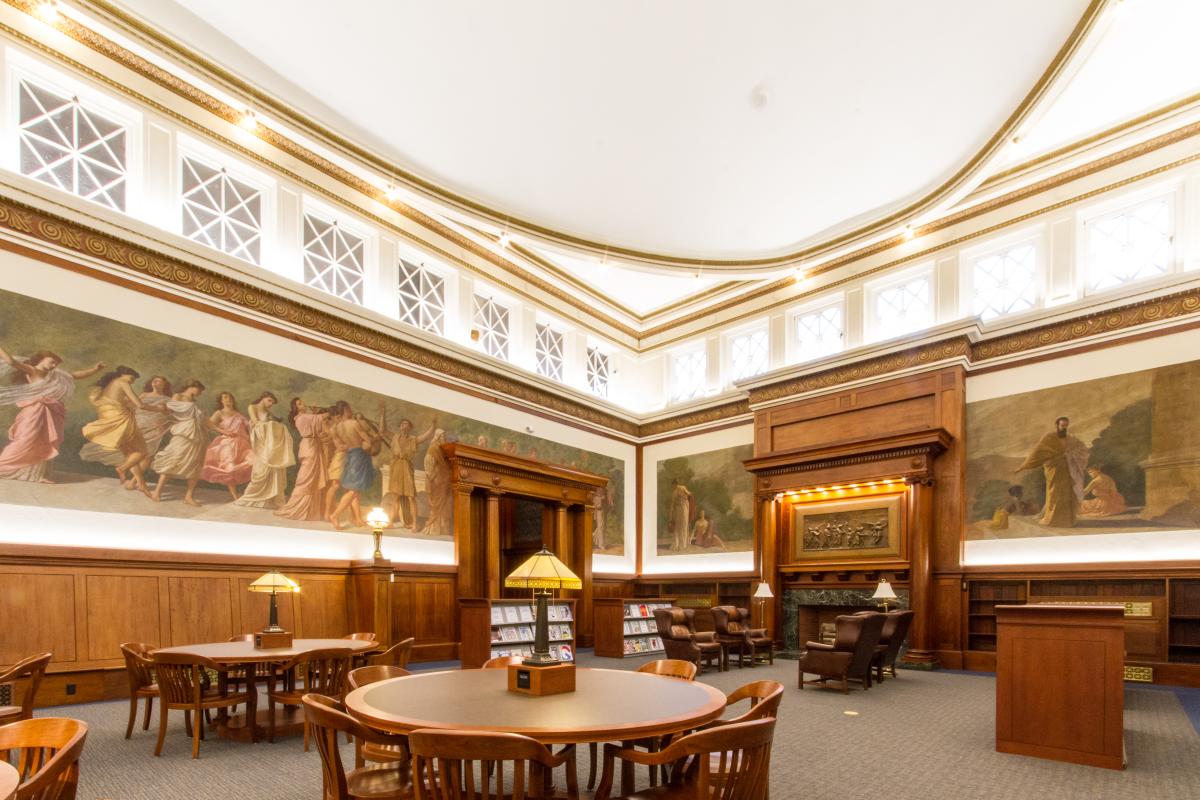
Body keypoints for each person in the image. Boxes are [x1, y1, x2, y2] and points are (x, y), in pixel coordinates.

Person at [0, 345, 103, 482]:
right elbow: (11, 362)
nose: (54, 365)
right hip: (34, 411)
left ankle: (37, 475)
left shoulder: (56, 375)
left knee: (45, 442)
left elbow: (74, 375)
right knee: (25, 439)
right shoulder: (32, 370)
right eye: (52, 362)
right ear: (41, 359)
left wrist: (94, 370)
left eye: (56, 363)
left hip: (51, 412)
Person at [80, 375, 172, 489]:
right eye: (154, 381)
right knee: (134, 452)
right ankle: (136, 480)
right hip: (138, 424)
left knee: (148, 455)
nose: (156, 383)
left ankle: (134, 482)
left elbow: (168, 414)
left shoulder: (168, 399)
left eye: (159, 381)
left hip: (154, 428)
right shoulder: (144, 395)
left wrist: (163, 411)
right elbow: (135, 405)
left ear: (164, 384)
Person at [1016, 416, 1089, 527]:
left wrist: (1070, 454)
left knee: (1068, 494)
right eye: (1062, 425)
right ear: (1056, 425)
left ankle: (1068, 520)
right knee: (1054, 493)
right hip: (1054, 470)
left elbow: (1083, 449)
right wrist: (1023, 467)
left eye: (1066, 425)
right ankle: (1054, 519)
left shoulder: (1071, 439)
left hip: (1068, 470)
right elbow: (1037, 453)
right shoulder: (1049, 438)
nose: (1064, 428)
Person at [151, 379, 212, 506]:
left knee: (195, 464)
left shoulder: (196, 403)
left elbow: (205, 421)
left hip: (198, 435)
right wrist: (161, 423)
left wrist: (223, 430)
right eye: (199, 390)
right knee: (173, 459)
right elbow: (169, 412)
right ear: (192, 387)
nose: (200, 393)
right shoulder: (178, 396)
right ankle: (157, 491)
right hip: (184, 432)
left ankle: (188, 497)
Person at [378, 403, 435, 528]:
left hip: (406, 468)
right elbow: (382, 430)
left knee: (411, 497)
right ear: (400, 427)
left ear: (410, 428)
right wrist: (382, 414)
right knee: (396, 496)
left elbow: (425, 437)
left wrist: (432, 426)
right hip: (396, 467)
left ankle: (414, 524)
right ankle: (391, 522)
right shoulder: (395, 437)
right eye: (402, 424)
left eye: (406, 424)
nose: (403, 426)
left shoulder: (413, 439)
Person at [236, 391, 295, 509]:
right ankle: (252, 496)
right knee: (260, 471)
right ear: (263, 398)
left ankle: (270, 499)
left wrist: (276, 424)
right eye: (270, 400)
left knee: (273, 467)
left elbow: (271, 424)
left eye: (272, 402)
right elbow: (256, 422)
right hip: (261, 443)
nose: (271, 404)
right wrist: (269, 424)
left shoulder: (268, 412)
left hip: (268, 444)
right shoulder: (252, 407)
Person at [275, 398, 331, 521]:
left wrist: (315, 414)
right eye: (299, 403)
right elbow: (319, 419)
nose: (303, 404)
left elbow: (315, 423)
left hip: (313, 445)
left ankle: (310, 512)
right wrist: (331, 410)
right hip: (309, 447)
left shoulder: (305, 417)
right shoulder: (301, 417)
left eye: (302, 402)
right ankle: (295, 507)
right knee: (306, 479)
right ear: (295, 408)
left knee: (314, 478)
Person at [327, 401, 379, 530]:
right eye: (349, 407)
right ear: (345, 409)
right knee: (353, 490)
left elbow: (340, 445)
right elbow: (367, 441)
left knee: (354, 490)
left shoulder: (337, 427)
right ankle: (335, 515)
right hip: (359, 457)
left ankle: (357, 519)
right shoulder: (354, 423)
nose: (351, 410)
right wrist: (376, 437)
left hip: (349, 456)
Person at [201, 391, 254, 500]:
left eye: (230, 397)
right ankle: (234, 495)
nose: (228, 399)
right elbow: (209, 423)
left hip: (242, 444)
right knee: (230, 467)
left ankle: (249, 492)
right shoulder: (219, 413)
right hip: (227, 443)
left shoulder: (238, 414)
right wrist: (224, 432)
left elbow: (248, 427)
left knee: (253, 461)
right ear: (221, 400)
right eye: (225, 397)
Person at [419, 429, 453, 538]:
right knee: (437, 505)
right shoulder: (434, 448)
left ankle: (443, 528)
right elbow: (428, 462)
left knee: (445, 505)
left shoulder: (442, 448)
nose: (444, 438)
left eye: (444, 436)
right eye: (443, 436)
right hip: (437, 481)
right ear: (438, 437)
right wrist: (433, 477)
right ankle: (434, 528)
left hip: (444, 481)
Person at [667, 477, 694, 551]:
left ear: (675, 484)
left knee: (681, 526)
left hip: (682, 508)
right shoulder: (679, 490)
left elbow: (689, 494)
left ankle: (681, 545)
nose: (674, 486)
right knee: (681, 526)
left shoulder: (678, 490)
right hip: (682, 509)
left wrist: (671, 515)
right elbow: (689, 494)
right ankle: (681, 545)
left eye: (674, 484)